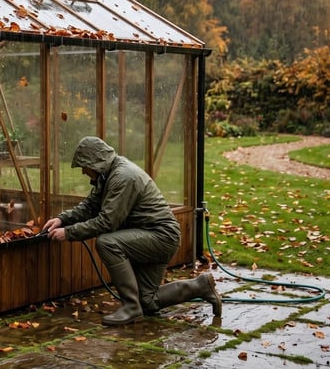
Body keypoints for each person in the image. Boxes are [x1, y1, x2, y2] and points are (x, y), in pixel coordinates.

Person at [42, 136, 222, 326]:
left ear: (94, 162)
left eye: (83, 167)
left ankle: (130, 308)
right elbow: (90, 206)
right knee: (148, 301)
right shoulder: (108, 174)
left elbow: (107, 222)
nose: (84, 172)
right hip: (151, 235)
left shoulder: (123, 177)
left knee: (107, 242)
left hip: (160, 236)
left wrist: (68, 232)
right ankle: (201, 286)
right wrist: (62, 219)